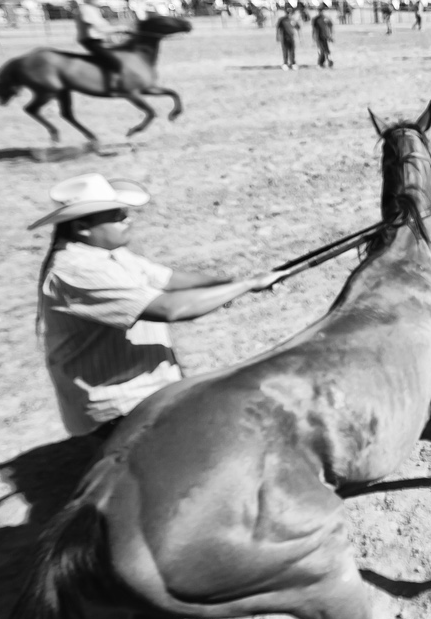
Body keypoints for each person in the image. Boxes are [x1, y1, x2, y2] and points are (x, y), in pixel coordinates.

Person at [31, 173, 285, 439]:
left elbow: (170, 280)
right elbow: (170, 309)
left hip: (146, 393)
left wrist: (229, 282)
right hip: (120, 406)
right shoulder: (76, 271)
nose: (127, 220)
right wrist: (248, 286)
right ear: (82, 226)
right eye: (117, 216)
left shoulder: (108, 253)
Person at [74, 0, 128, 93]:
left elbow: (103, 24)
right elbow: (97, 26)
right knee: (115, 62)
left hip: (98, 39)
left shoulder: (93, 9)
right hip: (91, 40)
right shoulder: (85, 9)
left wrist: (118, 29)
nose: (97, 0)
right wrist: (118, 29)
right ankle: (112, 85)